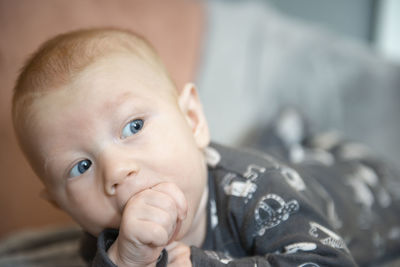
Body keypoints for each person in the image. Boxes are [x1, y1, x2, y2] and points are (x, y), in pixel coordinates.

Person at [11, 28, 400, 267]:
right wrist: (129, 260)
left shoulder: (252, 191)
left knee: (291, 167)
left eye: (132, 126)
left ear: (193, 119)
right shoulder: (111, 236)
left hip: (366, 191)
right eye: (80, 167)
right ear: (62, 205)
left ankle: (293, 132)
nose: (116, 171)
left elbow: (327, 262)